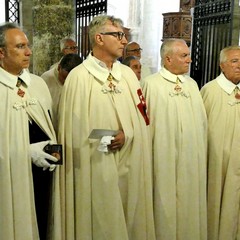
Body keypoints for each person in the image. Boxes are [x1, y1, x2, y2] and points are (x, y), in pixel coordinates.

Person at [57, 15, 155, 240]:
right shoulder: (79, 78)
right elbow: (72, 130)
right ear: (99, 39)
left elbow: (143, 118)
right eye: (118, 35)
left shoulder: (128, 75)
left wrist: (127, 134)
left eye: (124, 35)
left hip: (129, 160)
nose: (124, 41)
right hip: (93, 164)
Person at [0, 22, 61, 240]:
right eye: (19, 47)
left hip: (43, 173)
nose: (28, 52)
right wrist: (25, 152)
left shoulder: (37, 83)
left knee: (43, 222)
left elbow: (48, 122)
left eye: (28, 45)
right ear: (1, 52)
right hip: (10, 175)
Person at [142, 38, 207, 240]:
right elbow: (143, 122)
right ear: (168, 59)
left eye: (188, 55)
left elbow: (202, 124)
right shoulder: (150, 84)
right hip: (162, 156)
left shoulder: (193, 85)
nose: (189, 60)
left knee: (189, 200)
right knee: (163, 200)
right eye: (184, 55)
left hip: (190, 159)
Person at [201, 45, 240, 240]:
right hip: (218, 162)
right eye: (234, 61)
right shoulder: (210, 90)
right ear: (222, 66)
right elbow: (201, 127)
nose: (239, 66)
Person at [41, 53, 82, 130]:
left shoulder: (82, 78)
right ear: (59, 67)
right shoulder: (45, 79)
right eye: (64, 78)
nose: (66, 82)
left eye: (70, 80)